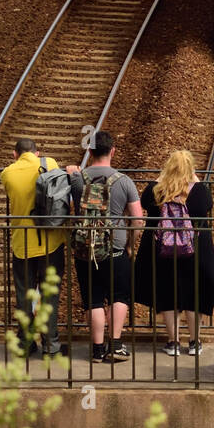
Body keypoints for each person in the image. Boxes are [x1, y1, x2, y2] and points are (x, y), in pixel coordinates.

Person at [134, 149, 214, 357]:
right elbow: (207, 206)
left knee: (167, 292)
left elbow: (145, 202)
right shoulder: (199, 191)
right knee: (194, 293)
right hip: (195, 249)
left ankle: (173, 342)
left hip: (163, 249)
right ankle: (194, 342)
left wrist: (161, 178)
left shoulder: (157, 190)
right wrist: (196, 180)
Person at [67, 131, 143, 363]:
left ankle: (97, 349)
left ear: (89, 152)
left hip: (85, 248)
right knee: (119, 296)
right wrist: (131, 244)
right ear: (112, 151)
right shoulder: (124, 181)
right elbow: (138, 220)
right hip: (115, 247)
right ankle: (116, 345)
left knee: (93, 299)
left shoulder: (79, 179)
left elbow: (71, 209)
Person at [0, 138, 67, 357]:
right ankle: (51, 346)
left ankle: (25, 343)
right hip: (51, 241)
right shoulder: (51, 164)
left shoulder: (7, 174)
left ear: (14, 154)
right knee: (49, 296)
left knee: (24, 295)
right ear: (37, 153)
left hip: (22, 244)